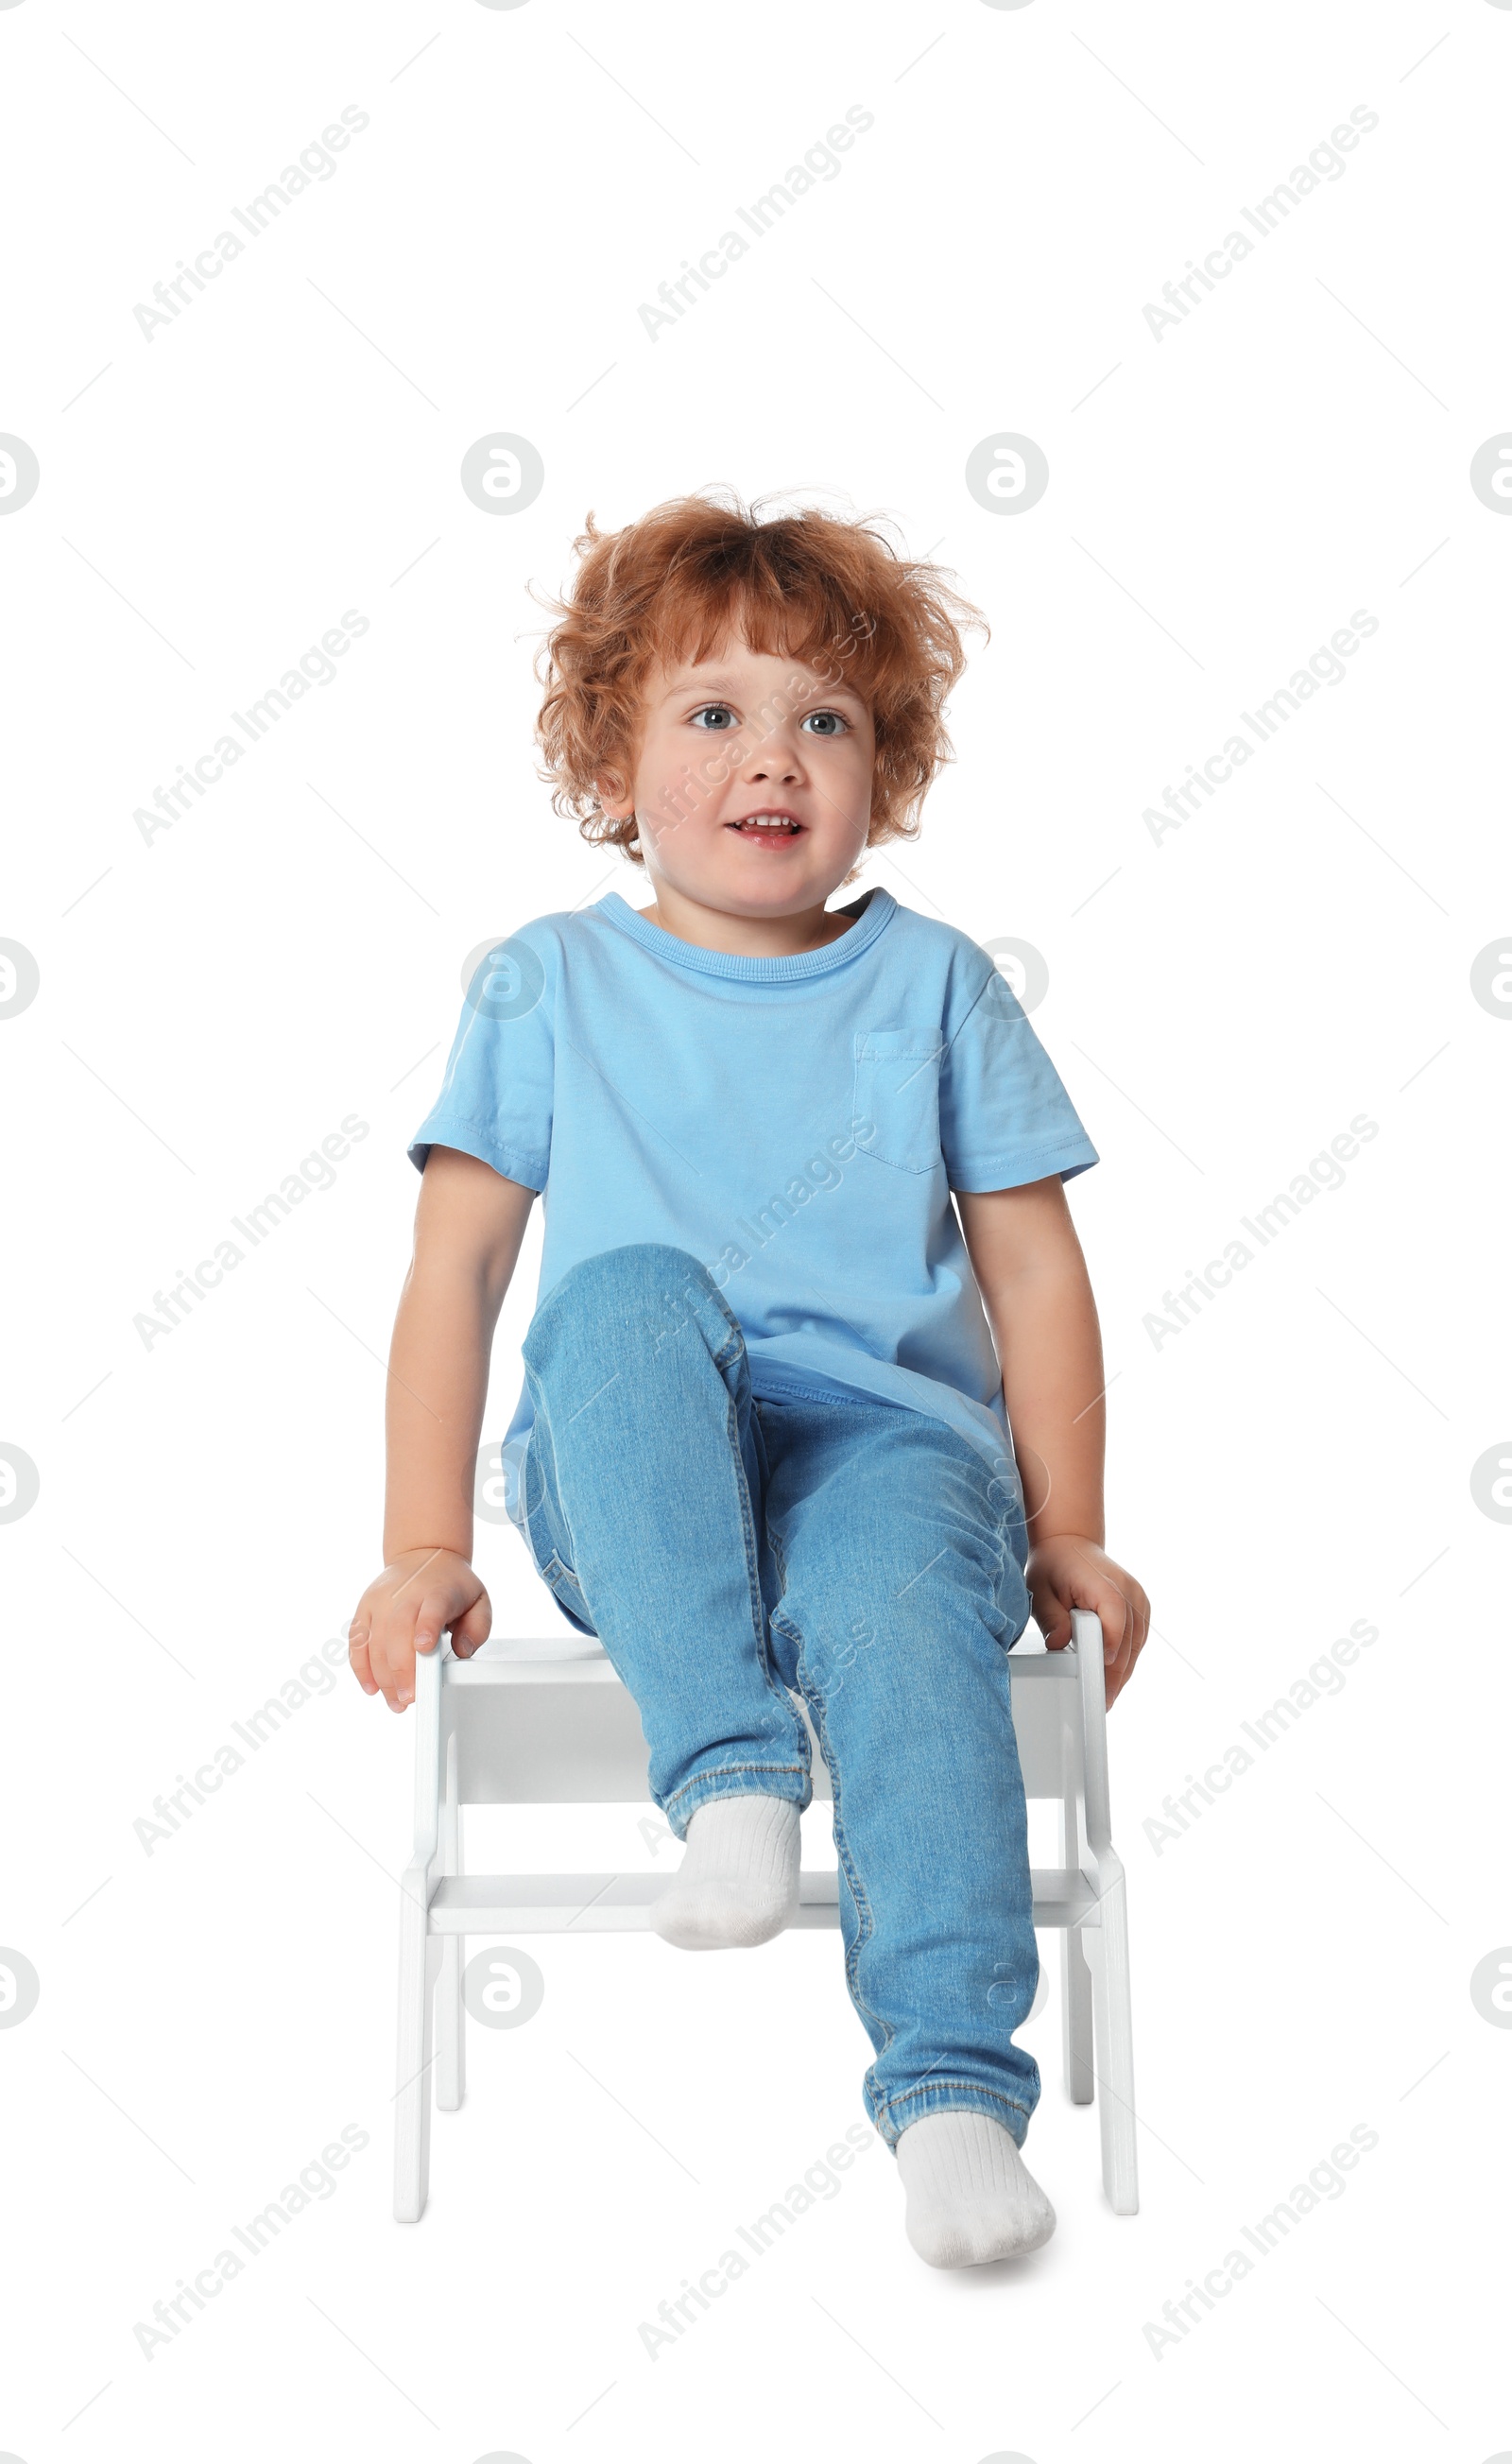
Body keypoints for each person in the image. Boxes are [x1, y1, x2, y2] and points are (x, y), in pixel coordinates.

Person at [347, 489, 1150, 2267]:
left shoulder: (934, 983)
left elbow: (1034, 1269)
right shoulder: (551, 981)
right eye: (712, 713)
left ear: (887, 771)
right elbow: (462, 1270)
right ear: (613, 766)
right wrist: (423, 1542)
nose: (771, 758)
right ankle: (730, 1777)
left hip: (892, 1460)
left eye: (826, 720)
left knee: (891, 1603)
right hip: (642, 1479)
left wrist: (1072, 1524)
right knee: (626, 1292)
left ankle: (950, 2100)